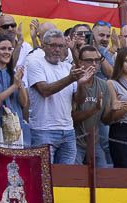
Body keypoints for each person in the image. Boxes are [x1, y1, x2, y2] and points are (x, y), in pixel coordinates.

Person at [25, 29, 90, 164]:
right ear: (43, 46)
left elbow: (79, 100)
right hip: (43, 130)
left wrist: (82, 84)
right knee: (44, 176)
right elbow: (44, 90)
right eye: (53, 45)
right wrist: (71, 78)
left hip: (68, 131)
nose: (57, 49)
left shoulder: (67, 67)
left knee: (64, 180)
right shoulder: (35, 63)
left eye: (61, 46)